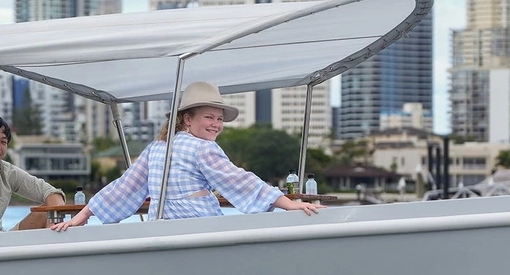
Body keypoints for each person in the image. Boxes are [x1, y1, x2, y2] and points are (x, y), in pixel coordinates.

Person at [51, 81, 323, 231]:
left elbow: (125, 186)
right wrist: (290, 204)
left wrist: (83, 215)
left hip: (162, 230)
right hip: (201, 228)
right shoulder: (202, 147)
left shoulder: (157, 147)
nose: (216, 124)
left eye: (219, 118)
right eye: (209, 117)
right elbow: (239, 181)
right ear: (187, 120)